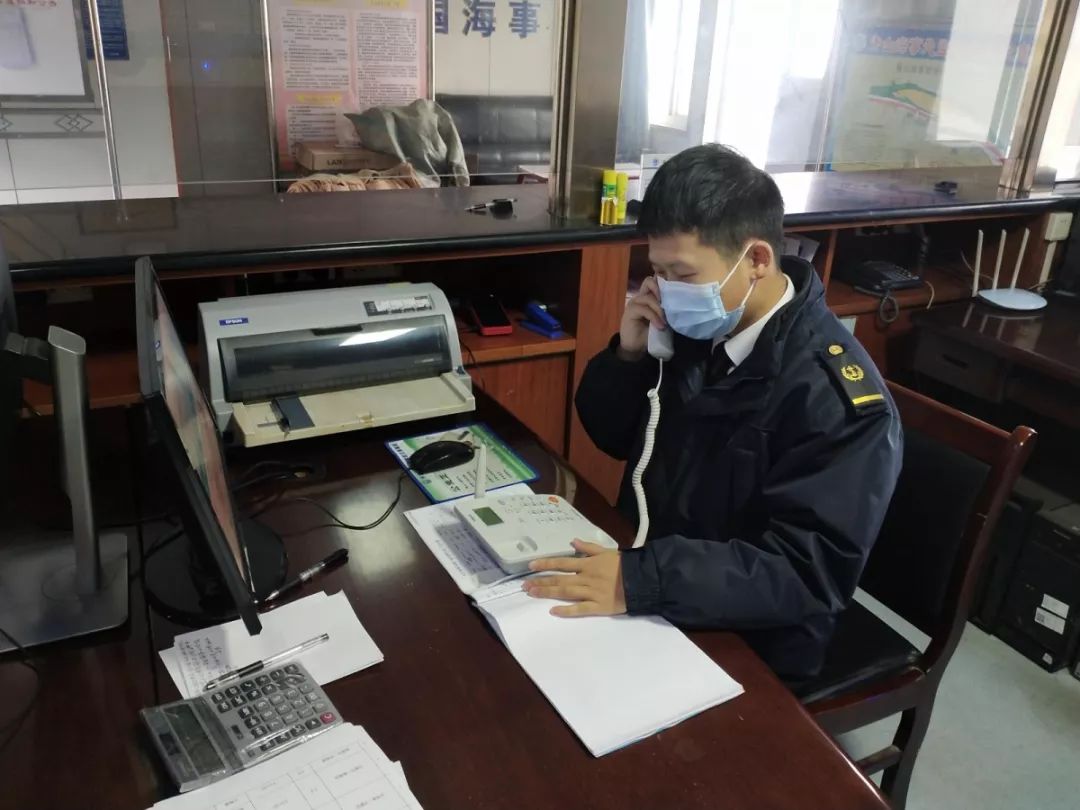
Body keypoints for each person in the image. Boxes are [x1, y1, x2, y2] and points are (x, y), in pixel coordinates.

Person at [522, 144, 903, 683]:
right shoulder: (699, 327)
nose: (667, 291)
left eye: (682, 273)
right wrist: (628, 357)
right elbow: (615, 437)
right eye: (657, 272)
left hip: (754, 637)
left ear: (757, 260)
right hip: (659, 579)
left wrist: (644, 580)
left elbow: (805, 574)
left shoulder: (835, 400)